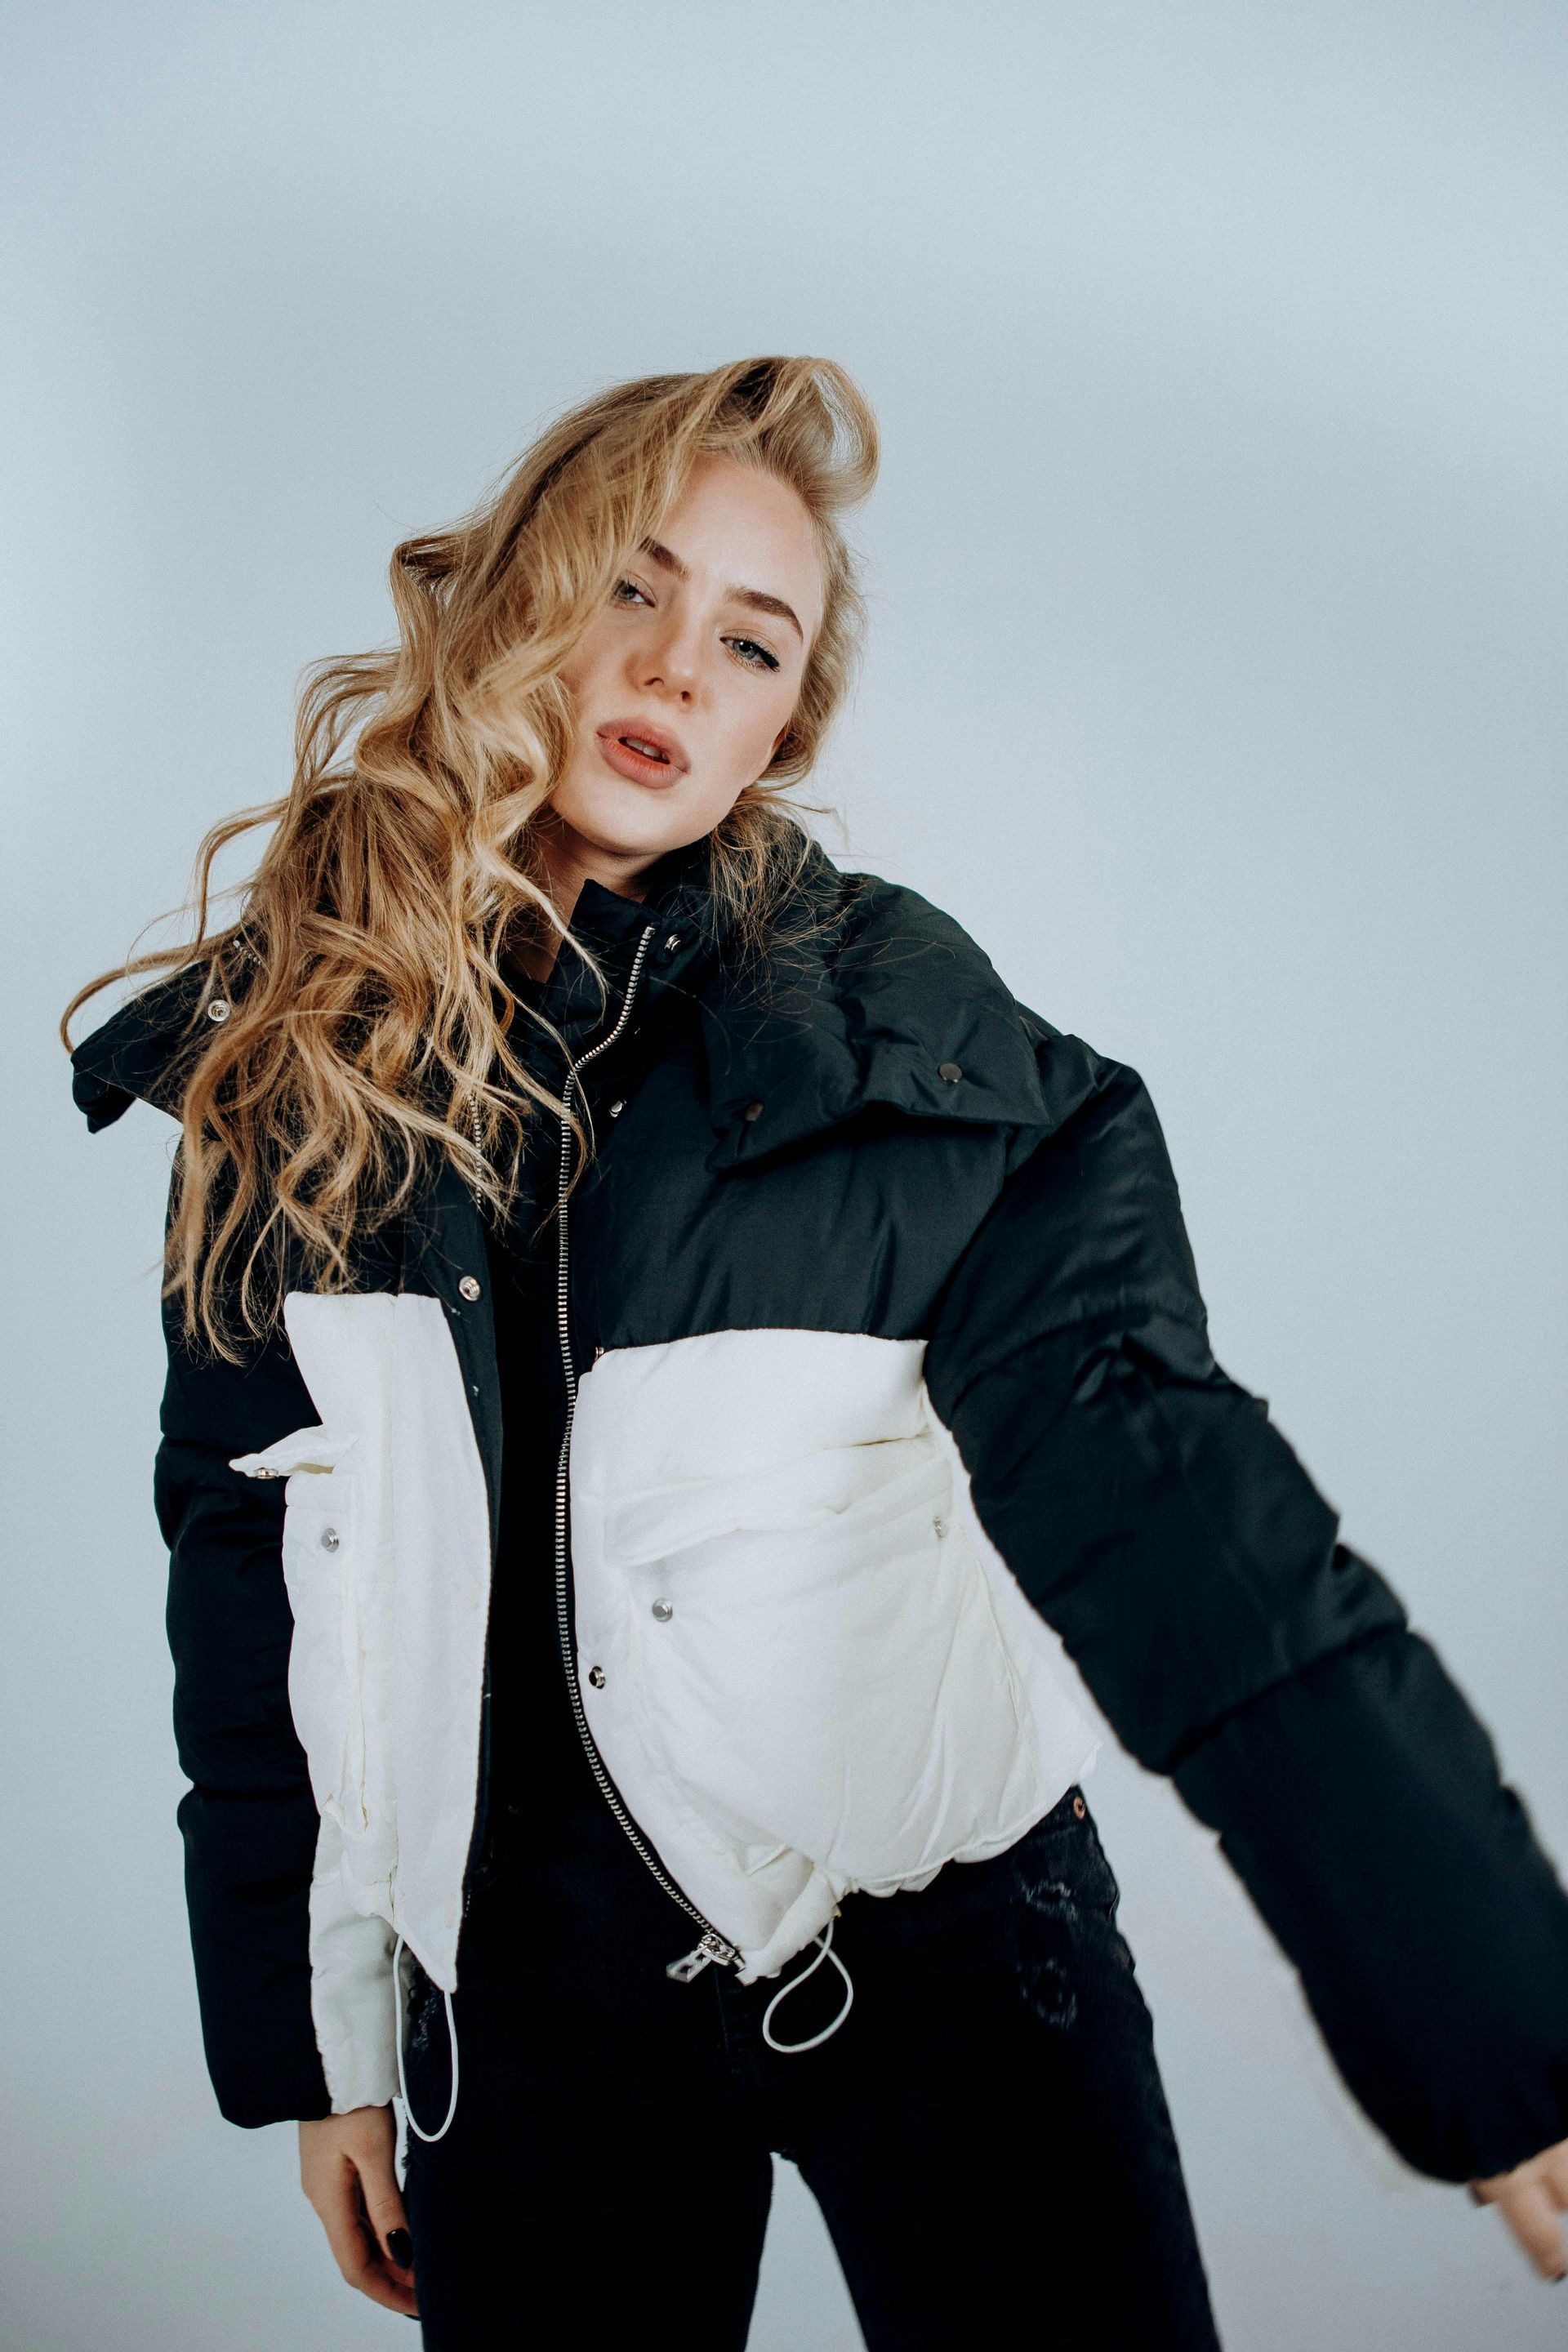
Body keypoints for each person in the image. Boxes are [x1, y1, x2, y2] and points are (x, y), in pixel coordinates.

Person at [66, 356, 1568, 2349]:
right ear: (516, 591)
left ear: (790, 721)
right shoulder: (296, 1073)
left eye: (750, 639)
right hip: (518, 2016)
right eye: (631, 584)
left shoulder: (909, 1045)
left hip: (954, 1969)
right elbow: (244, 1572)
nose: (676, 665)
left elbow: (1184, 1514)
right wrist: (316, 2037)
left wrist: (1488, 2019)